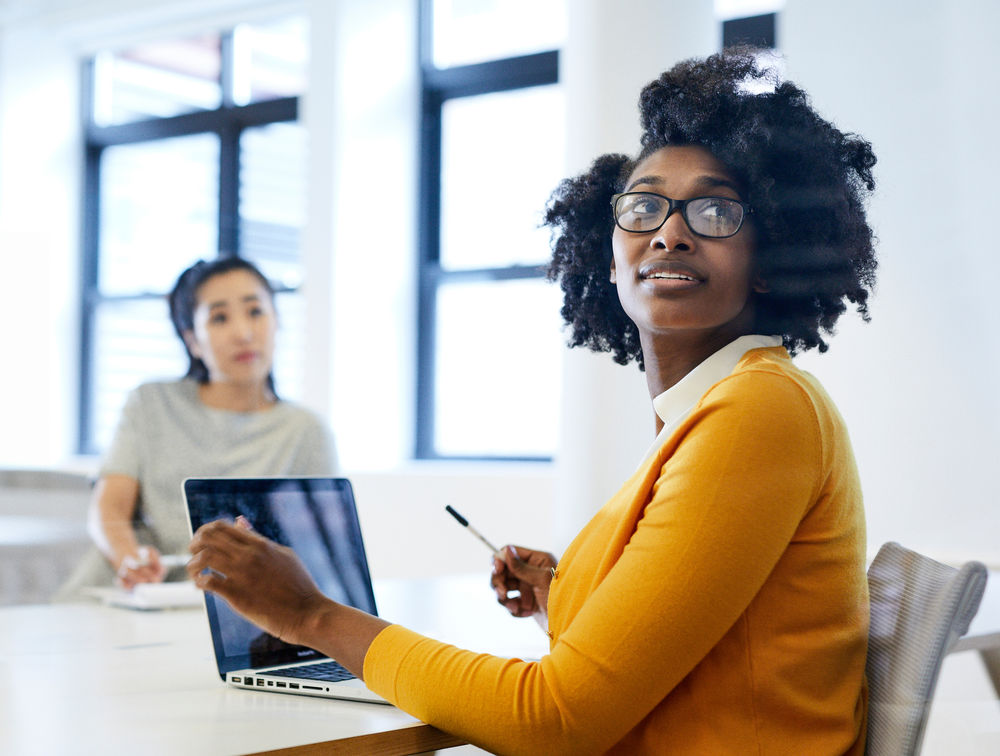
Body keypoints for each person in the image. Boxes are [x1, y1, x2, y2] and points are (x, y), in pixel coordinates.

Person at [186, 49, 877, 755]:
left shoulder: (758, 412)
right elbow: (702, 648)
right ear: (610, 258)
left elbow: (552, 721)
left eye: (714, 209)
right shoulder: (718, 407)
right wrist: (564, 591)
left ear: (771, 258)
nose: (670, 231)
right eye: (643, 206)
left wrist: (310, 615)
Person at [60, 257, 337, 595]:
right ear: (192, 340)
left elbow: (322, 550)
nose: (243, 333)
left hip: (242, 610)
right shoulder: (151, 404)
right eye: (219, 318)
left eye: (255, 311)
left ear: (277, 321)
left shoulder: (305, 431)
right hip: (139, 594)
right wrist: (130, 561)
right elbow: (110, 506)